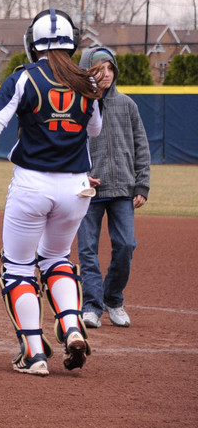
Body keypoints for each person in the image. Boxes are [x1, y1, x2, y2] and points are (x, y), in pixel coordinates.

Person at [0, 8, 104, 376]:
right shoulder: (87, 81)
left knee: (17, 267)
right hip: (76, 186)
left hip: (32, 184)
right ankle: (71, 325)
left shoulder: (23, 77)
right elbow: (94, 130)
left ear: (32, 43)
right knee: (57, 257)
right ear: (73, 43)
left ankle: (33, 353)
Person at [76, 47, 151, 329]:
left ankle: (113, 299)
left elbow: (142, 146)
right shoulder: (78, 105)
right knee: (87, 250)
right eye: (99, 69)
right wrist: (82, 177)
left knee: (126, 245)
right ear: (87, 72)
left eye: (110, 68)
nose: (106, 74)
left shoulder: (127, 105)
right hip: (88, 192)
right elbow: (68, 147)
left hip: (122, 190)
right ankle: (91, 306)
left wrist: (142, 184)